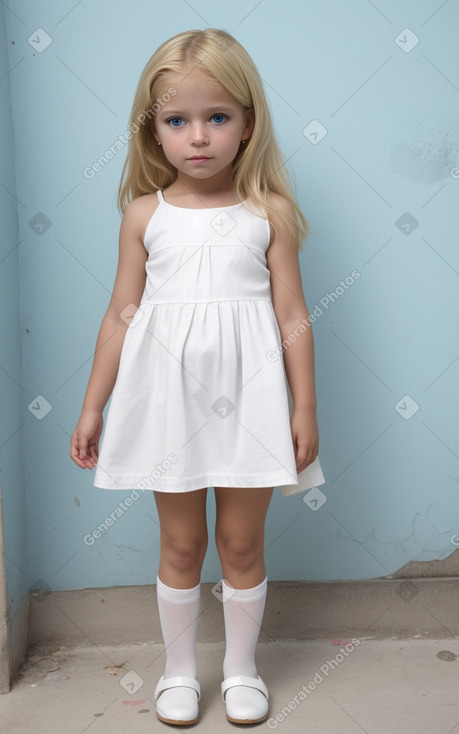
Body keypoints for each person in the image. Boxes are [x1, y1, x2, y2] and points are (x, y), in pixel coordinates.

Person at [70, 27, 323, 726]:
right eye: (177, 121)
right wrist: (94, 406)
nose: (199, 137)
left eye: (217, 117)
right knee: (181, 542)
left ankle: (240, 668)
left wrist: (304, 407)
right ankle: (180, 671)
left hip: (249, 401)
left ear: (247, 123)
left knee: (240, 542)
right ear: (153, 132)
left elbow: (293, 314)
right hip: (166, 405)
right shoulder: (144, 215)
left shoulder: (266, 214)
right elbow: (121, 314)